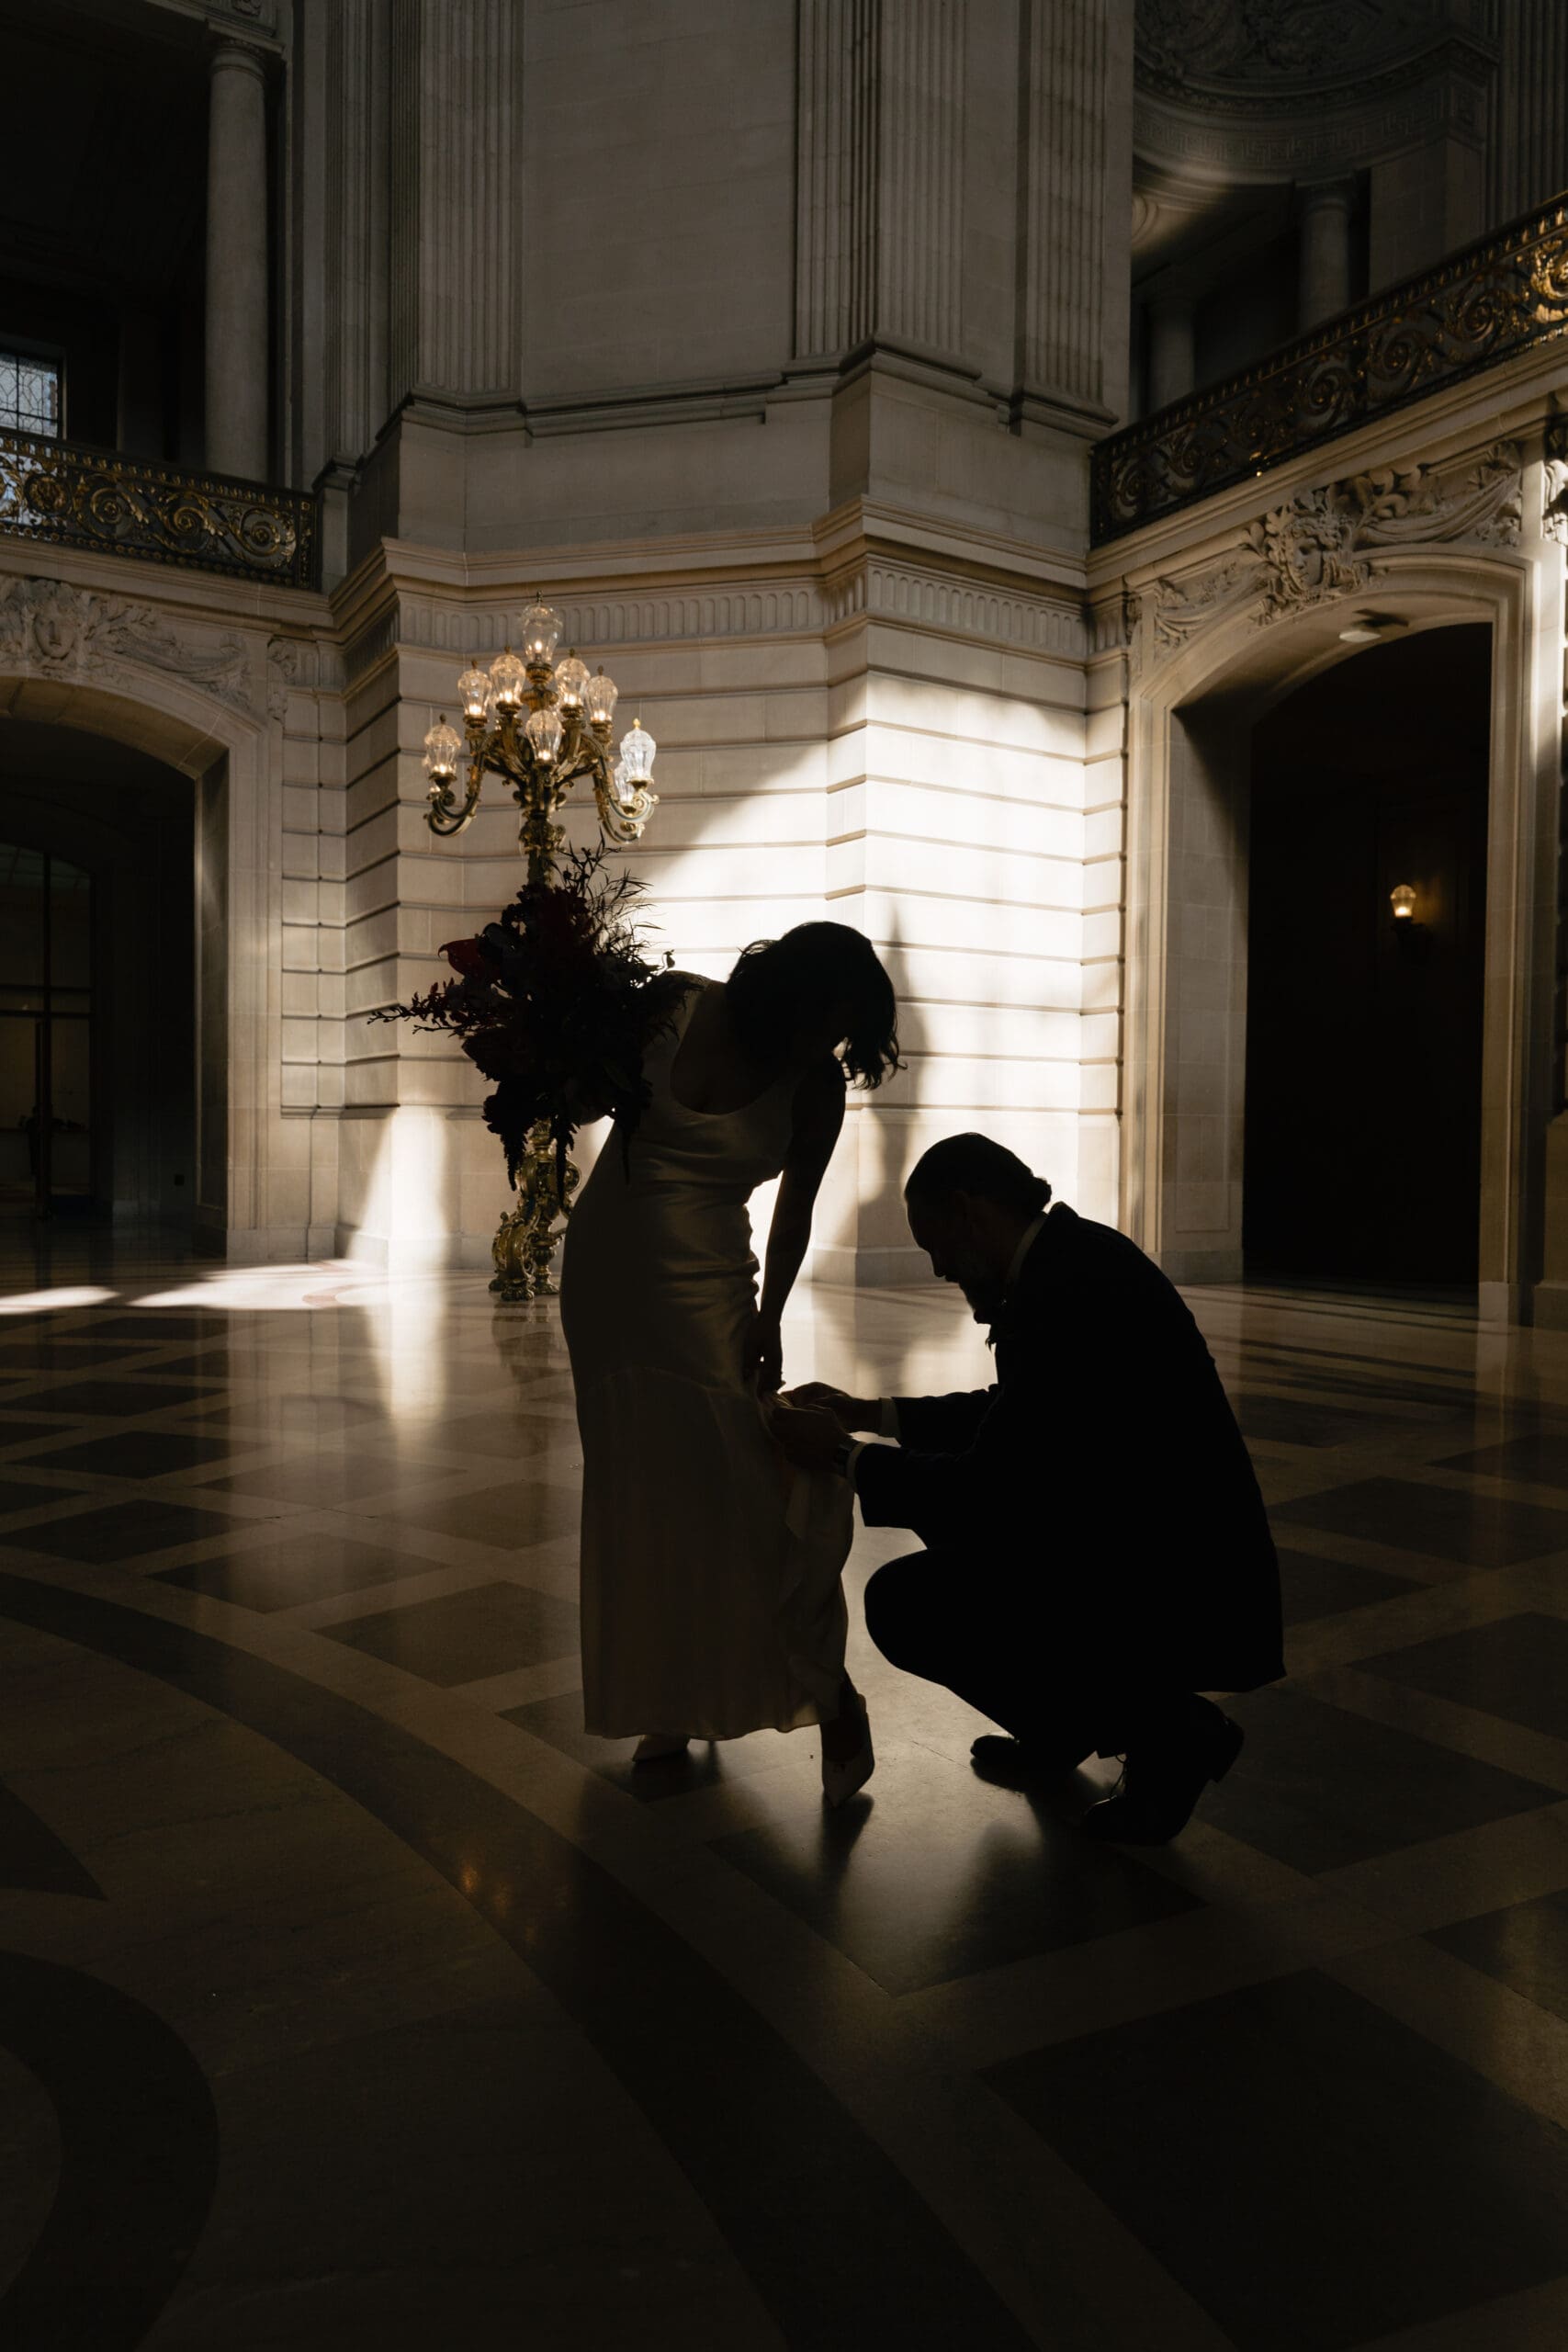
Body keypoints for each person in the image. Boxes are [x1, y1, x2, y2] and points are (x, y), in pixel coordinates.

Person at [769, 1132, 1285, 1843]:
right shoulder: (1067, 1263)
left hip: (1175, 1576)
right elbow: (1013, 1417)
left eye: (936, 1246)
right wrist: (872, 1415)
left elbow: (992, 1488)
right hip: (1143, 1542)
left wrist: (842, 1457)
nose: (940, 1267)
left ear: (968, 1211)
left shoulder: (1066, 1286)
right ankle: (1063, 1726)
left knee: (905, 1602)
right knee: (952, 1539)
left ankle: (1172, 1733)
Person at [559, 922, 901, 1804]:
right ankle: (668, 1700)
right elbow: (589, 1095)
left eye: (844, 1026)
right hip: (605, 1277)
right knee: (640, 1488)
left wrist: (774, 1316)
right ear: (785, 990)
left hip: (708, 1283)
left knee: (747, 1484)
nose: (829, 1038)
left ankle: (830, 1696)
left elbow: (793, 1212)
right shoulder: (672, 1002)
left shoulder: (815, 1085)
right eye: (825, 1015)